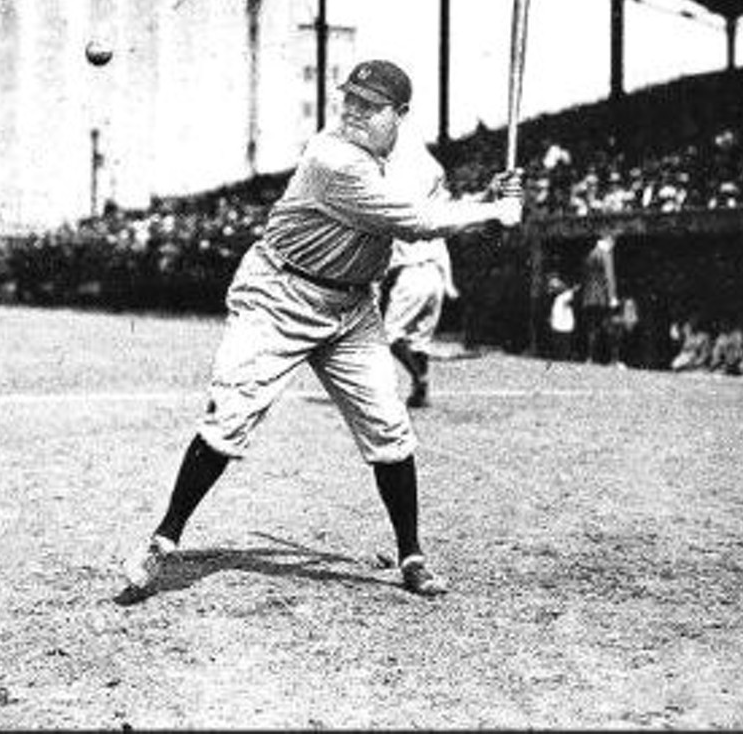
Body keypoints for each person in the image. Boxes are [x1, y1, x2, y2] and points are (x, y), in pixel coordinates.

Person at [120, 59, 523, 600]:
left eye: (370, 106)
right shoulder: (330, 157)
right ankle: (163, 541)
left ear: (400, 114)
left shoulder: (416, 163)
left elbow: (438, 217)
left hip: (352, 307)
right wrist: (494, 210)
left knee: (389, 427)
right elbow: (415, 221)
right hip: (279, 295)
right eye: (349, 100)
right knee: (230, 417)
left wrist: (492, 200)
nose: (354, 112)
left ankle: (412, 556)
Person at [380, 129, 460, 409]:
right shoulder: (433, 216)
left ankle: (419, 378)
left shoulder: (399, 213)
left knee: (390, 334)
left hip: (412, 275)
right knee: (421, 340)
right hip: (435, 278)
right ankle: (420, 389)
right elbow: (442, 250)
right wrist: (449, 284)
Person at [577, 233, 620, 363]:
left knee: (592, 328)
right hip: (602, 297)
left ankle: (590, 358)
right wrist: (612, 297)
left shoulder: (591, 254)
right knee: (610, 327)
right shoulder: (606, 254)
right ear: (610, 241)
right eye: (613, 243)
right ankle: (614, 360)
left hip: (589, 297)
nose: (613, 246)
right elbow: (609, 277)